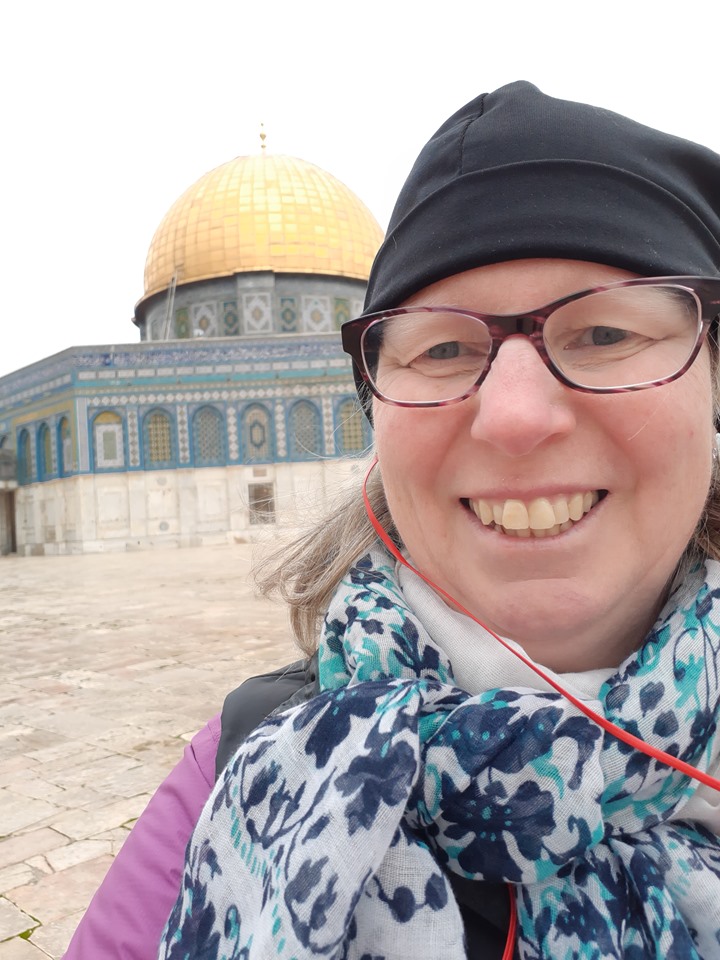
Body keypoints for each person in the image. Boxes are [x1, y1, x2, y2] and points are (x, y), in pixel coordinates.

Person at [67, 80, 720, 959]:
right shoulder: (237, 769)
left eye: (604, 333)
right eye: (444, 347)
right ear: (377, 406)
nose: (517, 417)